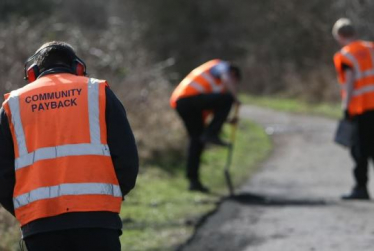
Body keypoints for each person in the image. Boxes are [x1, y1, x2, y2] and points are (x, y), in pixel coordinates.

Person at [0, 41, 139, 250]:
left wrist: (26, 211)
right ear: (78, 68)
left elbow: (2, 175)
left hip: (40, 226)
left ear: (32, 72)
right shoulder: (98, 92)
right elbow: (127, 158)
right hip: (97, 221)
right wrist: (108, 199)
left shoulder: (12, 105)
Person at [170, 59, 241, 192]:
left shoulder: (215, 87)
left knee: (197, 140)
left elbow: (215, 112)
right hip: (187, 99)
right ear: (233, 73)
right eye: (235, 82)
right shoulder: (221, 66)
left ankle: (193, 181)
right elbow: (226, 80)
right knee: (227, 98)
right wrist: (235, 98)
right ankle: (212, 134)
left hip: (183, 104)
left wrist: (227, 120)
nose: (232, 85)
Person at [332, 18, 374, 200]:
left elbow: (349, 82)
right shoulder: (371, 48)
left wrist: (345, 106)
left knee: (360, 150)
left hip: (361, 108)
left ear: (340, 36)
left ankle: (361, 188)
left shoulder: (346, 56)